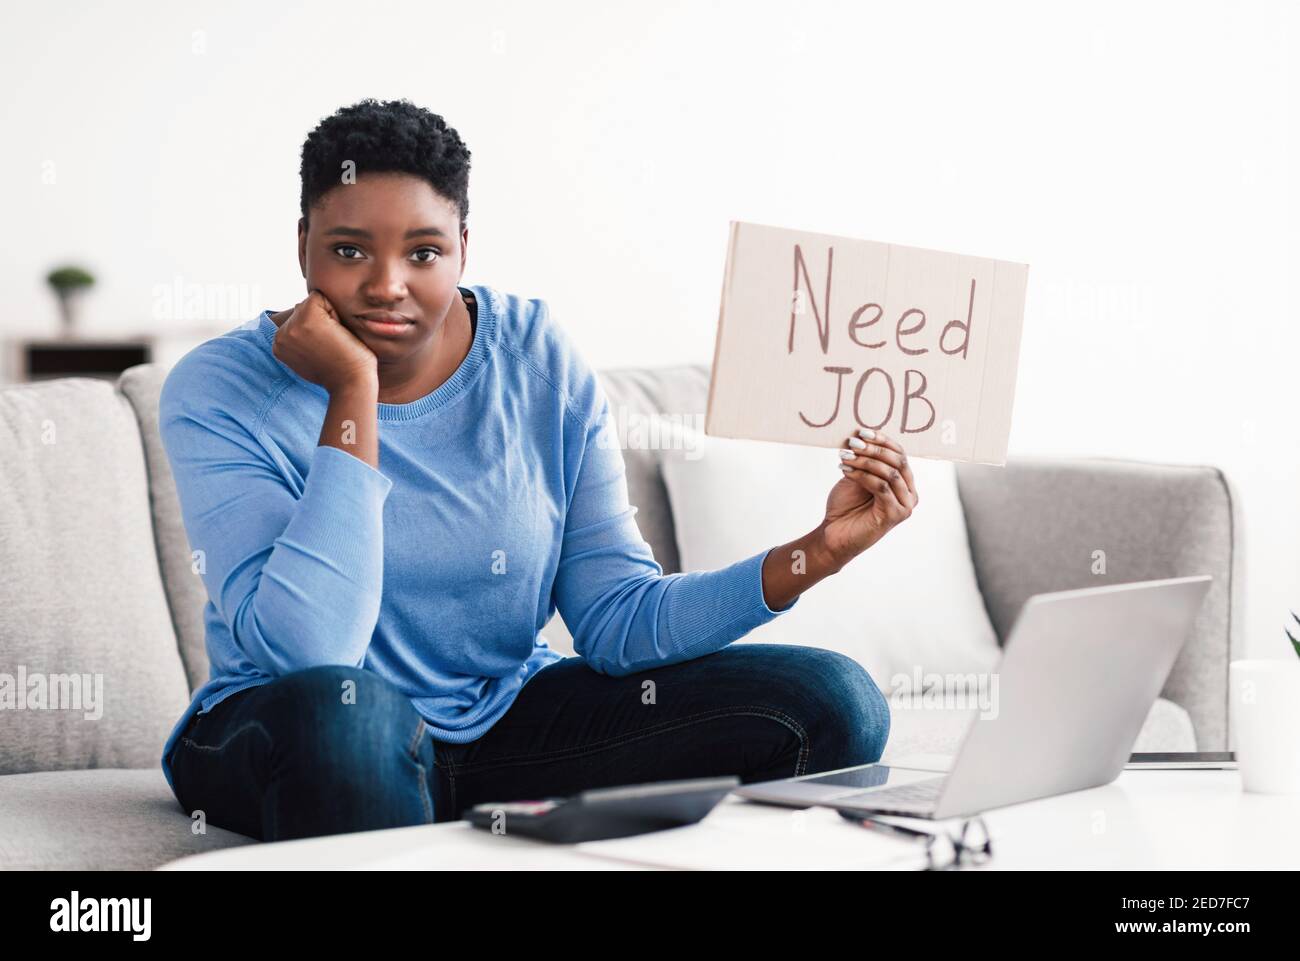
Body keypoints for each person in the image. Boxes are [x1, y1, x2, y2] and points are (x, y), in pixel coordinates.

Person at [159, 98, 919, 842]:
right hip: (290, 730)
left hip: (501, 734)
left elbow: (618, 619)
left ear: (463, 246)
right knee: (348, 711)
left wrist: (815, 552)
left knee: (832, 700)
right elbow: (309, 655)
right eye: (350, 250)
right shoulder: (219, 388)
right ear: (304, 245)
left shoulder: (536, 360)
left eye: (423, 252)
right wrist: (352, 392)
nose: (387, 283)